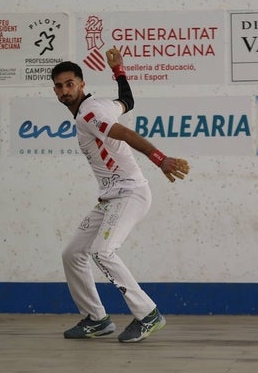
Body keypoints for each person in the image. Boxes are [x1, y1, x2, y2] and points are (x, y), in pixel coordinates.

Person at [51, 47, 189, 343]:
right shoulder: (101, 106)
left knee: (103, 252)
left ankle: (148, 314)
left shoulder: (90, 114)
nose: (65, 90)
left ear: (81, 84)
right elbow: (127, 101)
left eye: (70, 84)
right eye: (60, 86)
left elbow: (125, 134)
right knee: (72, 254)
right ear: (55, 90)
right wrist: (119, 71)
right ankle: (96, 319)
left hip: (130, 194)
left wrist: (160, 158)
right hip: (110, 198)